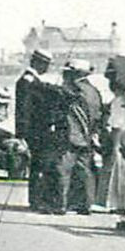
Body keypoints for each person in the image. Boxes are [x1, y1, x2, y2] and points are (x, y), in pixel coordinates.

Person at [46, 60, 106, 215]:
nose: (64, 75)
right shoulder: (94, 91)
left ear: (76, 74)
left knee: (62, 169)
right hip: (87, 136)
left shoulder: (73, 89)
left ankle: (60, 205)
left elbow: (60, 108)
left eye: (67, 73)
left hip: (69, 136)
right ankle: (85, 204)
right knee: (84, 171)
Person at [15, 48, 55, 211]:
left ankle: (37, 199)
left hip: (36, 130)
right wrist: (22, 134)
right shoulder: (28, 81)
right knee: (40, 165)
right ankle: (37, 200)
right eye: (46, 64)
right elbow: (24, 109)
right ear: (38, 63)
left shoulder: (33, 80)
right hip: (36, 131)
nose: (47, 68)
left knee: (38, 165)